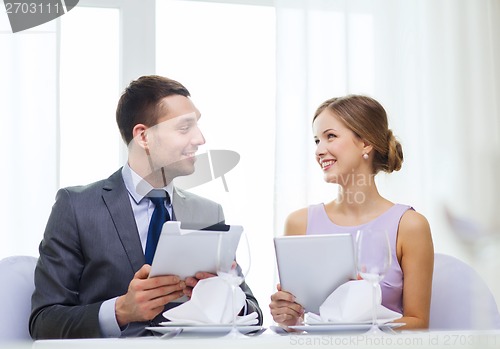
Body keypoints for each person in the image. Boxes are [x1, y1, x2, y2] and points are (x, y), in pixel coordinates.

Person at [30, 75, 262, 339]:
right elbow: (43, 322)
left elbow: (253, 312)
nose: (200, 139)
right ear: (143, 136)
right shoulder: (77, 207)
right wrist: (119, 311)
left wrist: (228, 299)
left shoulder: (208, 212)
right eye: (184, 128)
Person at [269, 95, 434, 330]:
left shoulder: (409, 226)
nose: (319, 150)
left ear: (365, 143)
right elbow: (297, 322)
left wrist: (356, 322)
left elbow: (418, 323)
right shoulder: (299, 223)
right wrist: (288, 317)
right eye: (316, 140)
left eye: (330, 136)